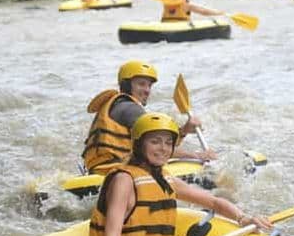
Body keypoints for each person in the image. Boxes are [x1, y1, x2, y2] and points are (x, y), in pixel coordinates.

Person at [87, 112, 273, 236]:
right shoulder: (124, 180)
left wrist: (243, 218)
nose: (163, 148)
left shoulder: (164, 178)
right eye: (155, 142)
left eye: (168, 143)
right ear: (139, 144)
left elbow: (214, 202)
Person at [82, 60, 217, 175]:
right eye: (141, 84)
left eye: (149, 85)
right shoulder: (130, 109)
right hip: (114, 170)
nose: (147, 90)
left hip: (100, 168)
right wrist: (198, 156)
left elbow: (157, 143)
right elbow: (159, 149)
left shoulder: (116, 104)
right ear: (126, 85)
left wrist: (184, 130)